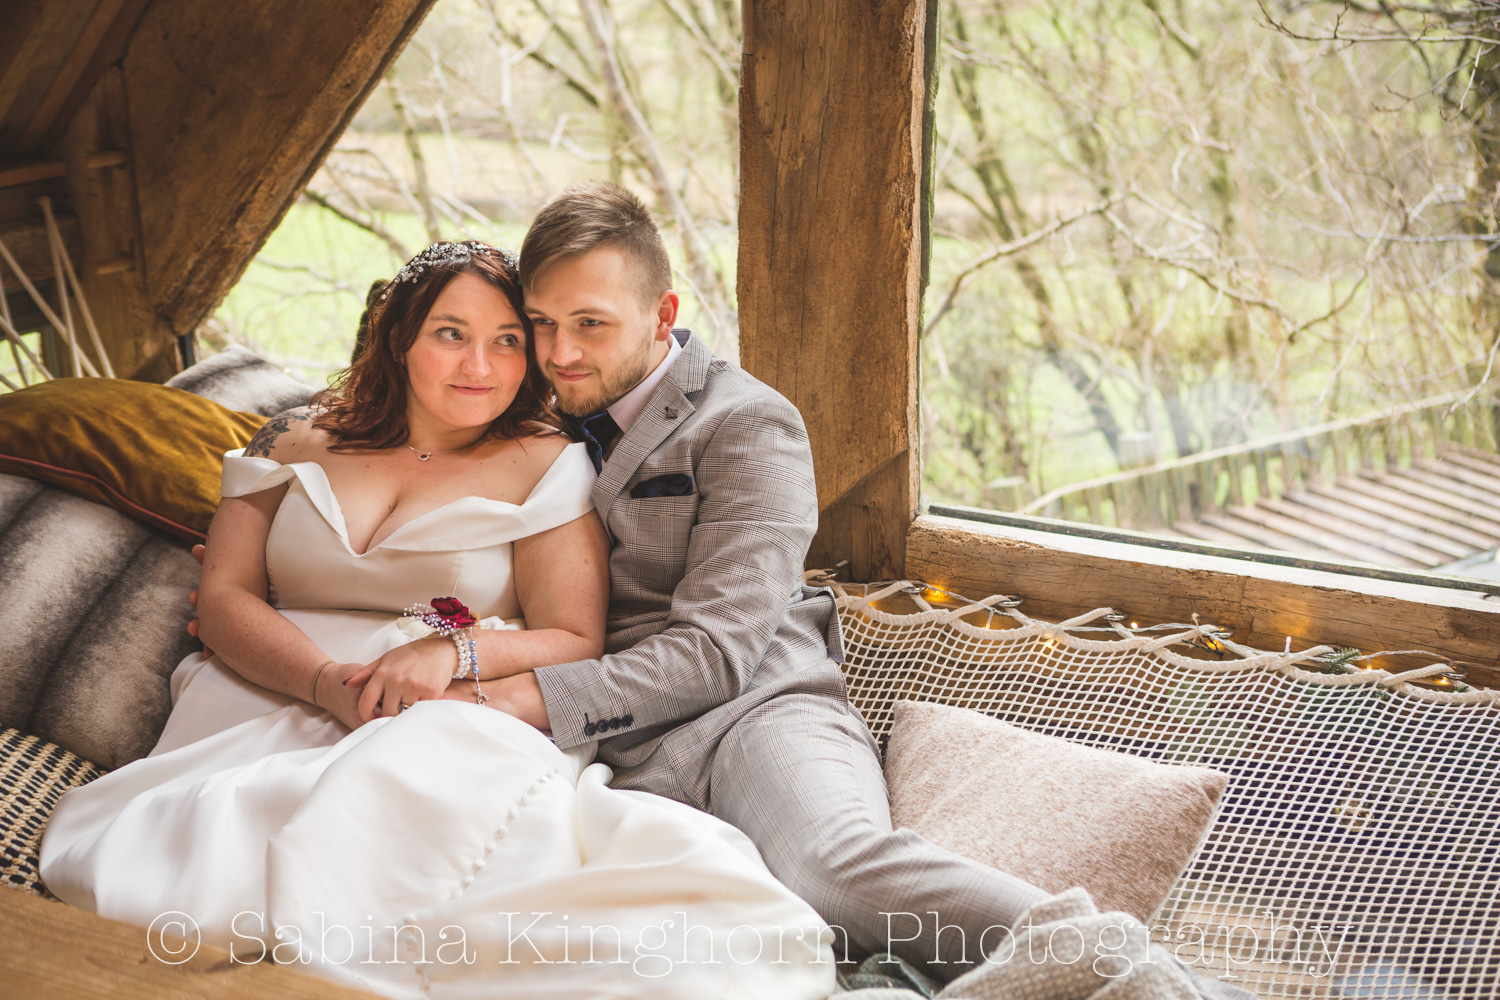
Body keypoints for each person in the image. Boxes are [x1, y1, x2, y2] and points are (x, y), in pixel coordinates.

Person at [415, 182, 1250, 999]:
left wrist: (510, 697)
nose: (560, 353)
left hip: (752, 710)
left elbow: (713, 654)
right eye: (543, 324)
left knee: (835, 870)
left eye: (590, 324)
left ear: (663, 315)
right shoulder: (528, 409)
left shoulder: (747, 423)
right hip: (604, 753)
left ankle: (1154, 981)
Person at [37, 241, 837, 1000]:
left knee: (398, 857)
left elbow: (572, 637)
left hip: (441, 710)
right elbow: (223, 600)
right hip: (263, 691)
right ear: (400, 340)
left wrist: (453, 648)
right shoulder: (292, 440)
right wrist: (323, 681)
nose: (479, 366)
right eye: (451, 334)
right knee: (181, 866)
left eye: (507, 341)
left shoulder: (548, 460)